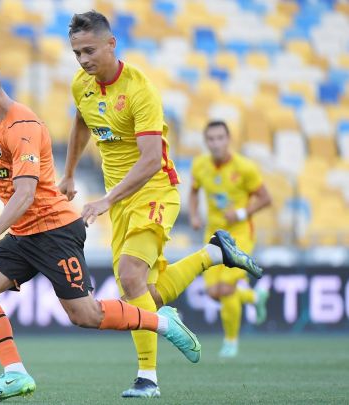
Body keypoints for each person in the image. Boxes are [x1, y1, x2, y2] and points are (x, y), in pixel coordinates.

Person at [0, 52, 202, 403]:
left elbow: (26, 193)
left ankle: (163, 323)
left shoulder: (23, 127)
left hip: (55, 231)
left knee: (86, 315)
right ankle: (15, 373)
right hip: (24, 232)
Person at [59, 11, 263, 398]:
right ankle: (213, 253)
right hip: (120, 199)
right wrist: (69, 173)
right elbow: (82, 123)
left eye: (89, 51)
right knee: (142, 297)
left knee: (130, 276)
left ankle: (148, 378)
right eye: (77, 53)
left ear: (111, 44)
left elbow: (152, 159)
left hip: (154, 190)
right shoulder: (81, 85)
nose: (83, 60)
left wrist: (105, 200)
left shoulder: (140, 90)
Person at [189, 120, 272, 358]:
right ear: (206, 142)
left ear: (228, 140)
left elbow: (265, 198)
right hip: (214, 234)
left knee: (226, 288)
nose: (216, 143)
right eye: (211, 139)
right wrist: (194, 215)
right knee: (213, 292)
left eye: (220, 138)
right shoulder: (200, 165)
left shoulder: (245, 167)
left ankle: (231, 342)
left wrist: (242, 213)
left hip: (240, 234)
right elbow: (193, 191)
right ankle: (254, 297)